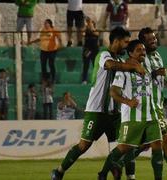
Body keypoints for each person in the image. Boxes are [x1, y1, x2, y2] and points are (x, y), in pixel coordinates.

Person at [51, 27, 145, 180]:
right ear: (116, 41)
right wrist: (134, 66)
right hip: (96, 111)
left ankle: (130, 177)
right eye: (126, 42)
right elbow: (110, 65)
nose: (128, 45)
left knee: (127, 145)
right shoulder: (103, 55)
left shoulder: (122, 61)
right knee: (84, 146)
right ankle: (59, 171)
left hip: (115, 113)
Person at [98, 40, 163, 180]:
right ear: (131, 53)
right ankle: (103, 174)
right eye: (139, 50)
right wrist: (128, 102)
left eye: (144, 50)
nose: (143, 53)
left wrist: (158, 72)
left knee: (158, 145)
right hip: (133, 117)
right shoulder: (124, 72)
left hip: (151, 115)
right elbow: (113, 92)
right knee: (123, 148)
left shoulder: (147, 68)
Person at [81, 17, 99, 84]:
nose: (89, 24)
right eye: (88, 23)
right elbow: (82, 34)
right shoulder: (85, 31)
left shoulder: (96, 30)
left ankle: (96, 79)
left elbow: (96, 34)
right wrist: (86, 27)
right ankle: (84, 79)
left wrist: (91, 27)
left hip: (94, 50)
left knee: (95, 65)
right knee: (86, 65)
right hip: (87, 50)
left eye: (90, 23)